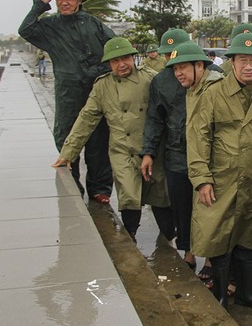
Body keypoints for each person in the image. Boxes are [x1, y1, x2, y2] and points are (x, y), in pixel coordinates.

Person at [186, 32, 252, 313]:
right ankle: (221, 296)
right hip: (221, 180)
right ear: (232, 63)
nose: (249, 66)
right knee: (220, 240)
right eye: (243, 60)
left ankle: (248, 293)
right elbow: (198, 140)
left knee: (248, 240)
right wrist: (202, 180)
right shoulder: (214, 94)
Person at [53, 37, 173, 241]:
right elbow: (86, 119)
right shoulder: (102, 86)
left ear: (133, 57)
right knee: (128, 196)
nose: (121, 64)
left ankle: (168, 238)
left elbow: (171, 112)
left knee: (160, 197)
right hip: (122, 150)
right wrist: (68, 153)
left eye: (125, 58)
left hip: (153, 150)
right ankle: (131, 236)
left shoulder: (152, 79)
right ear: (109, 64)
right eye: (115, 61)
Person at [19, 0, 114, 203]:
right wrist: (40, 3)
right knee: (65, 136)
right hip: (67, 90)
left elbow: (114, 48)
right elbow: (26, 29)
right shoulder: (50, 26)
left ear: (79, 1)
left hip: (95, 90)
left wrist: (100, 71)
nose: (64, 2)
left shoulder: (94, 24)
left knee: (98, 140)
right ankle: (72, 184)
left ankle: (99, 189)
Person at [140, 29, 203, 271]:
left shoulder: (212, 76)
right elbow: (154, 119)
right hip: (176, 154)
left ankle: (211, 258)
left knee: (209, 207)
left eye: (178, 57)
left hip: (207, 154)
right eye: (168, 56)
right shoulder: (160, 81)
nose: (172, 61)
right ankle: (188, 251)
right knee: (182, 206)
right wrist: (148, 152)